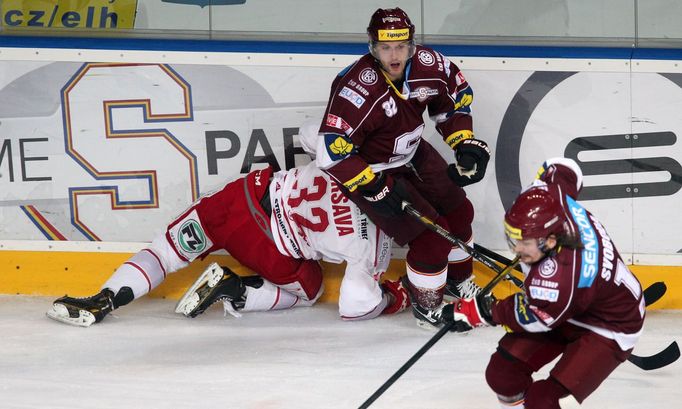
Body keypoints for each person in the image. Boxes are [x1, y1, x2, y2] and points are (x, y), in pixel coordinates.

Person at [46, 157, 408, 327]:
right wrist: (397, 296)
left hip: (241, 196)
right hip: (267, 241)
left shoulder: (356, 160)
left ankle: (103, 299)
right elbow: (354, 306)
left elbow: (317, 132)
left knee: (165, 251)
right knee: (309, 292)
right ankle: (236, 289)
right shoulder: (373, 244)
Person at [315, 7, 491, 328]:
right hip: (372, 172)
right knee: (430, 239)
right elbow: (331, 151)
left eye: (400, 47)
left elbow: (452, 102)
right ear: (373, 47)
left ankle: (456, 281)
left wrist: (462, 142)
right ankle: (427, 306)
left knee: (460, 212)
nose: (394, 56)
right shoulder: (358, 89)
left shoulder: (428, 65)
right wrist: (374, 187)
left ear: (411, 45)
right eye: (385, 48)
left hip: (413, 154)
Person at [439, 157, 645, 408]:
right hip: (573, 303)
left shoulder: (563, 273)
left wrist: (479, 311)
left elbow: (534, 315)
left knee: (541, 399)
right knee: (503, 377)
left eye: (525, 243)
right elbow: (567, 169)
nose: (517, 249)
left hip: (609, 324)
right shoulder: (550, 194)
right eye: (513, 238)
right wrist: (542, 182)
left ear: (550, 241)